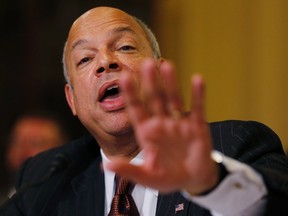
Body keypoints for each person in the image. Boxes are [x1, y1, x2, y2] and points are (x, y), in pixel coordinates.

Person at [2, 6, 288, 216]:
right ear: (72, 100)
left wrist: (213, 183)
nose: (105, 62)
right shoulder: (45, 178)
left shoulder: (235, 143)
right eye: (85, 58)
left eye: (125, 47)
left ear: (161, 74)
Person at [1, 112, 69, 203]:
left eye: (36, 143)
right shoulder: (4, 203)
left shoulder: (73, 204)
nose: (23, 151)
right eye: (16, 142)